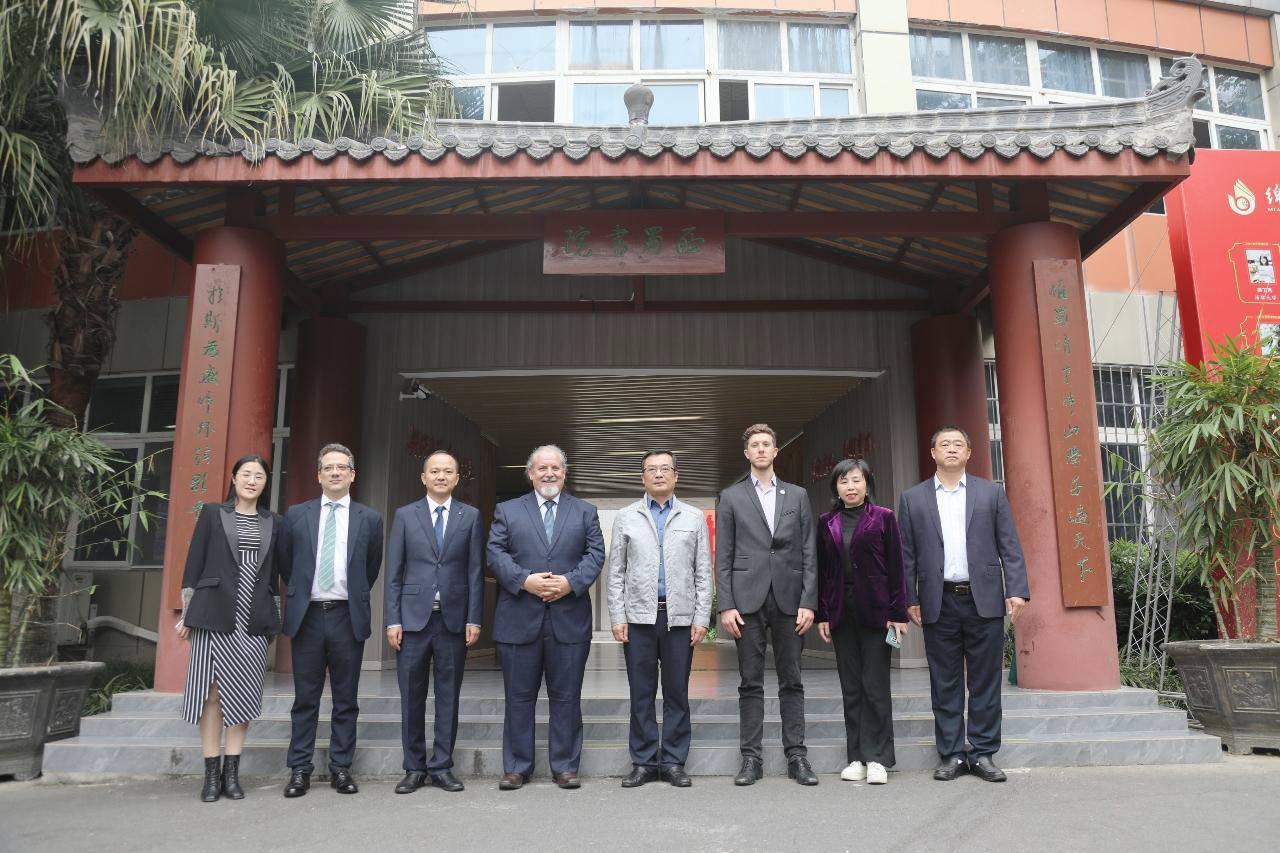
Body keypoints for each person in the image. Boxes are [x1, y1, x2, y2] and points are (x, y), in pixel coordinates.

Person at [897, 426, 1030, 783]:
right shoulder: (913, 498)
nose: (952, 449)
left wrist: (1016, 589)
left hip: (983, 599)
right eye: (945, 444)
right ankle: (953, 754)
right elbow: (906, 554)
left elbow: (1010, 546)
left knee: (986, 681)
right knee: (945, 681)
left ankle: (984, 753)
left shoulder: (991, 494)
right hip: (938, 600)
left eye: (958, 444)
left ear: (969, 453)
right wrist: (909, 597)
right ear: (933, 453)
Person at [487, 445, 605, 791]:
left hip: (569, 620)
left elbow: (596, 553)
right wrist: (525, 580)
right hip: (518, 618)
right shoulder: (508, 511)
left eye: (555, 467)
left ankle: (565, 766)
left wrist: (570, 583)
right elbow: (495, 552)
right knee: (518, 697)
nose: (549, 473)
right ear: (530, 473)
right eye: (542, 468)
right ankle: (517, 767)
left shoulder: (585, 511)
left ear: (564, 473)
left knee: (566, 696)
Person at [177, 454, 287, 803]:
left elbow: (273, 578)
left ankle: (232, 773)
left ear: (266, 483)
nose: (252, 480)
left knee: (242, 694)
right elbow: (193, 564)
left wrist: (275, 616)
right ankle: (211, 773)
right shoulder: (213, 514)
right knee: (211, 695)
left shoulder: (275, 522)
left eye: (259, 476)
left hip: (252, 619)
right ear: (234, 479)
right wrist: (187, 612)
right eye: (246, 474)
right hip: (213, 615)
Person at [716, 423, 819, 787]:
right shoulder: (730, 497)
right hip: (746, 601)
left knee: (792, 680)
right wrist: (725, 605)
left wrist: (809, 601)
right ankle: (751, 758)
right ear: (747, 453)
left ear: (776, 452)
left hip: (791, 599)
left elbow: (809, 551)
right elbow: (723, 554)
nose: (761, 449)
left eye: (767, 444)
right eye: (755, 445)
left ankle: (797, 756)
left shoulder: (797, 496)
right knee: (750, 681)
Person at [279, 443, 384, 798]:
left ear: (353, 474)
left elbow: (370, 568)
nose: (335, 472)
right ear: (318, 475)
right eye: (329, 467)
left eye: (342, 467)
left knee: (346, 699)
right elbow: (286, 564)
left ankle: (341, 768)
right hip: (307, 616)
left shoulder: (369, 518)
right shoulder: (296, 515)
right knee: (305, 698)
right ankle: (300, 769)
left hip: (345, 616)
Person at [606, 451, 713, 789]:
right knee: (641, 692)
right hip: (638, 618)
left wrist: (701, 618)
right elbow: (616, 572)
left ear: (676, 476)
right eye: (651, 470)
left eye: (664, 469)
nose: (658, 474)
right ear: (642, 478)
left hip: (679, 618)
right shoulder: (626, 517)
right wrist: (617, 615)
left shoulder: (693, 517)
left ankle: (673, 762)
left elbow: (703, 573)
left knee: (677, 692)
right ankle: (643, 761)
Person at [384, 450, 483, 795]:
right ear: (423, 477)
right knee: (411, 695)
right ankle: (414, 767)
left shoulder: (469, 516)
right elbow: (394, 573)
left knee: (448, 696)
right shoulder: (405, 515)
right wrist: (392, 620)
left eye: (448, 472)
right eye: (435, 471)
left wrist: (474, 618)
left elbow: (474, 572)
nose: (441, 476)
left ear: (457, 478)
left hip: (453, 621)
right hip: (411, 622)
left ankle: (441, 765)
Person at [815, 458, 909, 786]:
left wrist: (898, 614)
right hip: (842, 613)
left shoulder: (884, 518)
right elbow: (824, 572)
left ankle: (879, 758)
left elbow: (897, 567)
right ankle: (855, 756)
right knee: (851, 687)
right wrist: (823, 614)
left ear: (867, 483)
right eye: (844, 482)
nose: (850, 487)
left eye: (856, 480)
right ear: (836, 488)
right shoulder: (827, 522)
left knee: (876, 686)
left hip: (878, 613)